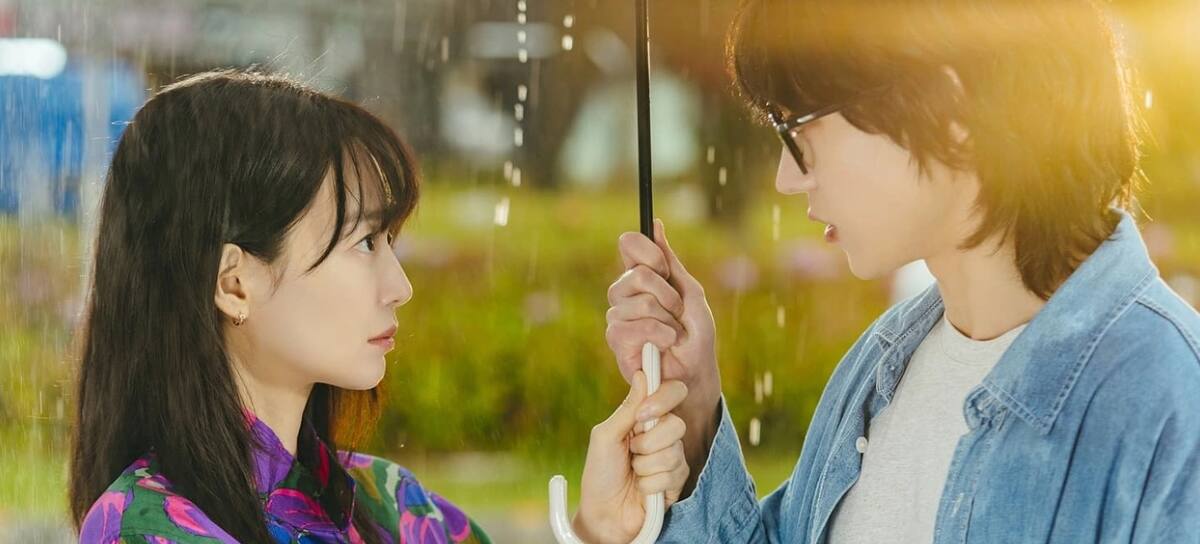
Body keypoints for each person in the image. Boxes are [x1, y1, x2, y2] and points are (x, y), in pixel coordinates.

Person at [604, 1, 1200, 542]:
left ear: (949, 106)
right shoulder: (882, 366)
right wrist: (694, 409)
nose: (789, 178)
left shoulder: (1172, 409)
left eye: (799, 128)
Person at [71, 70, 691, 544]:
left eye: (390, 241)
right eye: (365, 242)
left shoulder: (394, 506)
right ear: (234, 284)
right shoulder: (146, 529)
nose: (400, 285)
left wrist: (597, 531)